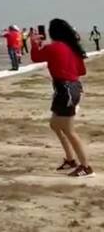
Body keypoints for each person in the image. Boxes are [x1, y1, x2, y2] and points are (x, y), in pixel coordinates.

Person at [31, 18, 92, 178]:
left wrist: (34, 42)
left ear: (52, 33)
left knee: (69, 130)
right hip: (70, 88)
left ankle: (86, 167)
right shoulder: (72, 48)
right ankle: (71, 160)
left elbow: (36, 57)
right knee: (55, 124)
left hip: (66, 90)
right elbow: (82, 71)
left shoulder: (54, 48)